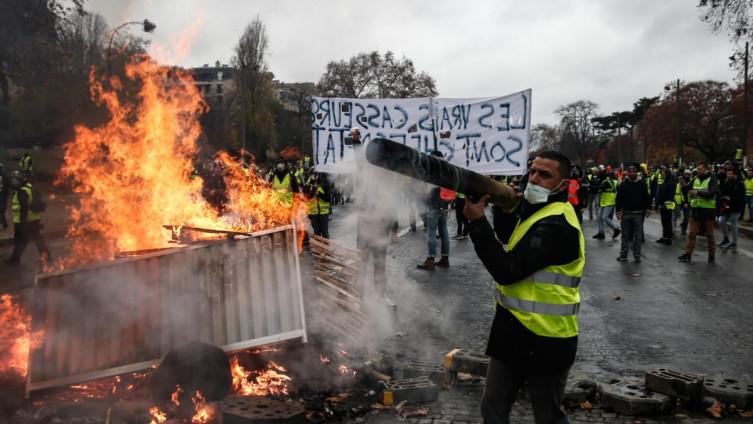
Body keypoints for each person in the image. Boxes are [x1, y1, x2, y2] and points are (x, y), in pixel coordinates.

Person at [464, 150, 584, 424]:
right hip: (514, 331)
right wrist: (506, 210)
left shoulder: (557, 224)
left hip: (547, 339)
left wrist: (477, 222)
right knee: (493, 406)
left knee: (548, 416)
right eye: (532, 171)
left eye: (545, 175)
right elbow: (511, 236)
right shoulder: (542, 211)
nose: (534, 179)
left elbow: (507, 270)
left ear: (562, 184)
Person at [5, 171, 51, 266]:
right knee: (37, 240)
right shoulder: (31, 189)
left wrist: (22, 222)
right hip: (34, 220)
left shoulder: (22, 191)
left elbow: (24, 207)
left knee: (20, 241)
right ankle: (47, 257)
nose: (14, 182)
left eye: (16, 180)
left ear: (21, 181)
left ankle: (14, 260)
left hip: (23, 221)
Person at [418, 151, 452, 270]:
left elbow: (427, 188)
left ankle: (431, 259)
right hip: (444, 205)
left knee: (431, 232)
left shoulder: (433, 171)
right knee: (444, 232)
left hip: (434, 205)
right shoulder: (447, 170)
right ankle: (445, 258)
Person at [679, 161, 718, 263]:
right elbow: (688, 188)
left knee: (710, 235)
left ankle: (711, 256)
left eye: (700, 169)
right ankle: (688, 254)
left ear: (706, 169)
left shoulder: (712, 178)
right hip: (696, 211)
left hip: (708, 212)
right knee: (692, 234)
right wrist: (683, 185)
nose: (698, 171)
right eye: (697, 169)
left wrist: (698, 192)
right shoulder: (695, 178)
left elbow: (712, 193)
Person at [615, 164, 651, 263]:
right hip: (626, 213)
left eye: (633, 171)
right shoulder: (623, 184)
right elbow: (619, 198)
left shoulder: (641, 183)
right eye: (630, 171)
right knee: (625, 235)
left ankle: (637, 256)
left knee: (638, 237)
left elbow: (647, 197)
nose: (632, 173)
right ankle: (623, 255)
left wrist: (648, 208)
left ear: (636, 172)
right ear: (627, 172)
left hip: (638, 214)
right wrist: (618, 210)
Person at [718, 167, 745, 250]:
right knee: (722, 221)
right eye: (727, 174)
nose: (728, 176)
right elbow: (722, 192)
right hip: (726, 207)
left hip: (736, 208)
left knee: (733, 224)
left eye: (730, 174)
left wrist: (731, 198)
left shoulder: (740, 184)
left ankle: (734, 242)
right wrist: (723, 197)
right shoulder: (726, 183)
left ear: (735, 174)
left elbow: (741, 198)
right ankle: (726, 239)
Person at [593, 171, 620, 240]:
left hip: (609, 202)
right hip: (605, 201)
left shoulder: (606, 181)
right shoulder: (614, 181)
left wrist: (589, 186)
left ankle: (616, 229)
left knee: (604, 217)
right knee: (599, 217)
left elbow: (599, 188)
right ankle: (601, 233)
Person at [305, 171, 331, 239]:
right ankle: (318, 248)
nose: (315, 176)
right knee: (317, 234)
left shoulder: (325, 184)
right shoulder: (309, 184)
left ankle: (326, 248)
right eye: (313, 174)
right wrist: (313, 188)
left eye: (316, 174)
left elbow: (328, 198)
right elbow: (307, 197)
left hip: (323, 213)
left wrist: (320, 194)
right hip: (313, 213)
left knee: (325, 233)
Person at [655, 167, 676, 244]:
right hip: (664, 203)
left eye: (663, 173)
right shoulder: (666, 181)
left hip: (668, 204)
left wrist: (659, 204)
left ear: (666, 174)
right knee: (664, 221)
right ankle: (665, 236)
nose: (661, 174)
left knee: (667, 221)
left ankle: (668, 238)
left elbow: (664, 195)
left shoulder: (669, 182)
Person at [0, 162, 8, 229]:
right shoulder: (4, 176)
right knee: (2, 210)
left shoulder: (4, 176)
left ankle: (4, 224)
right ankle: (3, 224)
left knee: (1, 210)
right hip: (3, 194)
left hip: (2, 194)